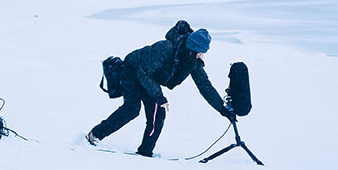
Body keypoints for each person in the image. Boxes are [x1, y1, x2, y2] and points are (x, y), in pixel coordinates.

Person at [86, 20, 234, 156]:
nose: (201, 55)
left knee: (158, 114)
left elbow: (205, 86)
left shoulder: (192, 62)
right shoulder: (166, 48)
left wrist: (222, 109)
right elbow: (143, 72)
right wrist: (159, 96)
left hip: (150, 79)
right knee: (131, 109)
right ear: (192, 48)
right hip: (132, 71)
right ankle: (95, 135)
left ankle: (145, 153)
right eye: (200, 51)